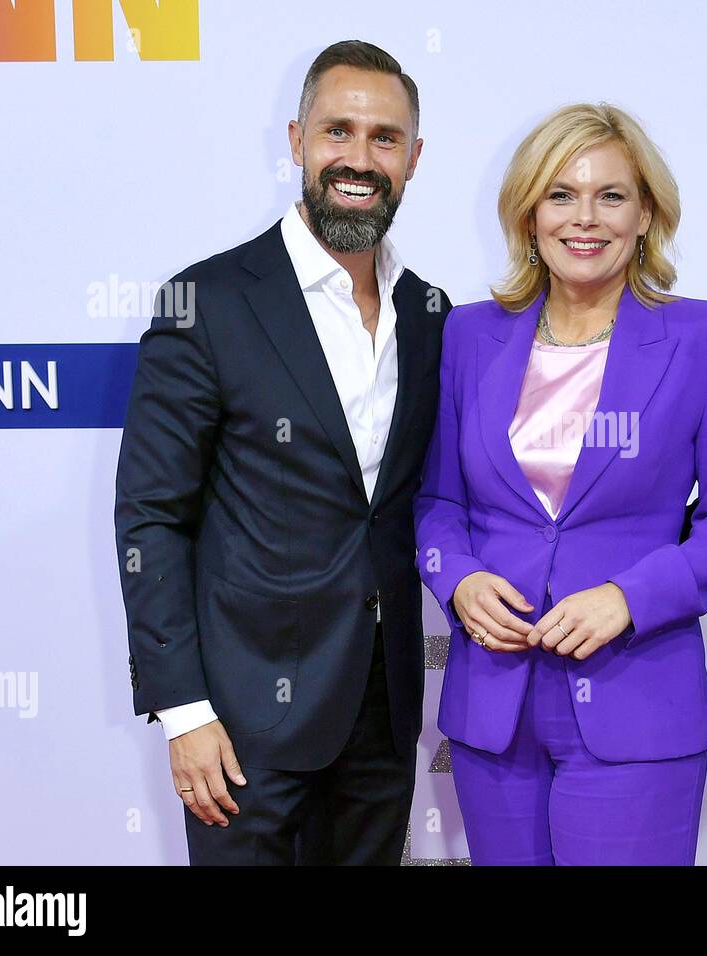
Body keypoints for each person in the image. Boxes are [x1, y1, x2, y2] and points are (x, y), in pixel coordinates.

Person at [115, 40, 451, 865]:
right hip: (241, 726)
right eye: (339, 131)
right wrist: (184, 711)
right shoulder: (208, 302)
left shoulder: (434, 312)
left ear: (414, 157)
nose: (359, 159)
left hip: (381, 711)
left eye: (384, 138)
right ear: (298, 141)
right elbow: (151, 518)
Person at [414, 103, 707, 865]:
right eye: (560, 194)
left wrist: (630, 599)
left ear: (647, 213)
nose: (585, 218)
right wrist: (460, 582)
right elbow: (438, 504)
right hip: (493, 708)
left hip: (635, 702)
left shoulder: (706, 337)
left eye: (611, 195)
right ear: (528, 211)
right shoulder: (470, 334)